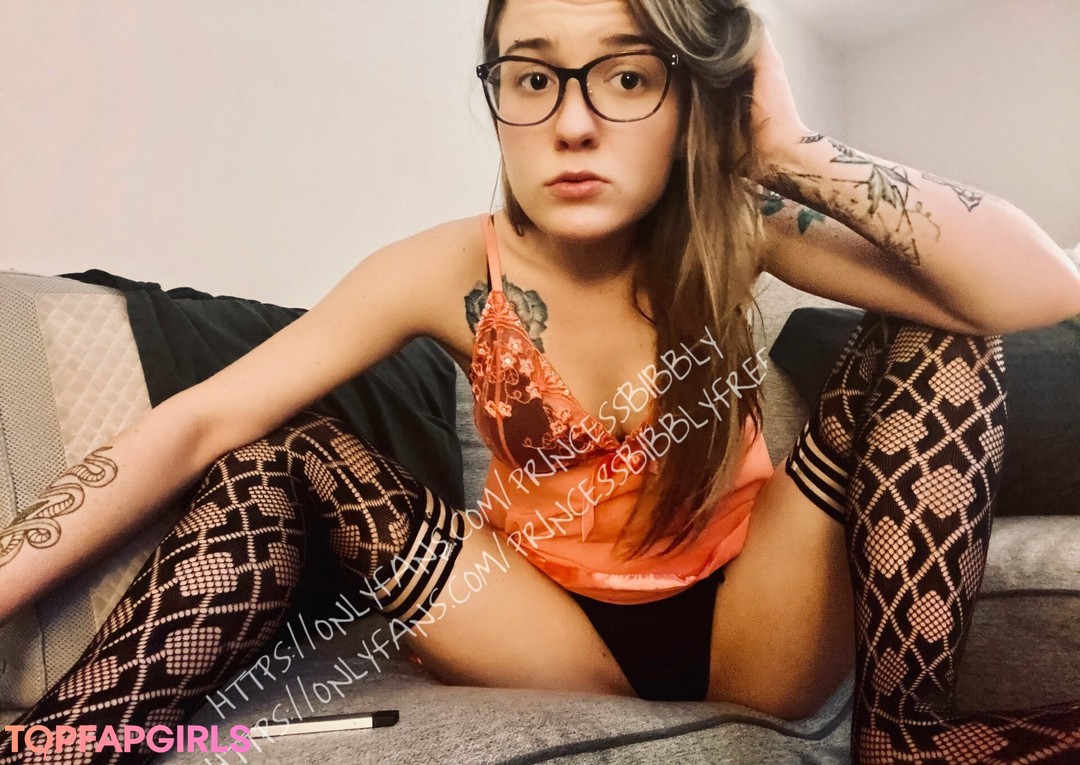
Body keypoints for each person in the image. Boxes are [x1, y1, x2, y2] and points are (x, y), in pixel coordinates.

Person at [1, 0, 1079, 762]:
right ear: (499, 101)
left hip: (753, 616)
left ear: (687, 97)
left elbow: (1037, 290)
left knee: (941, 327)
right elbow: (199, 422)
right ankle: (56, 744)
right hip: (544, 624)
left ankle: (906, 739)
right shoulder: (440, 268)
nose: (571, 121)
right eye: (531, 77)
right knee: (288, 454)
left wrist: (790, 148)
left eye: (626, 76)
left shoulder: (741, 228)